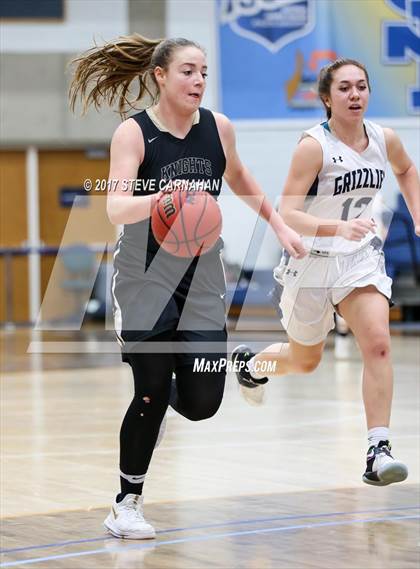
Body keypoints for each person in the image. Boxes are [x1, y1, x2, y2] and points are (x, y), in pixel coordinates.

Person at [70, 34, 306, 539]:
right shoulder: (134, 135)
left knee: (201, 404)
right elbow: (115, 206)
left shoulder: (218, 128)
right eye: (188, 71)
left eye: (203, 72)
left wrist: (281, 226)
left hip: (200, 279)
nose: (199, 80)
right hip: (143, 278)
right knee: (151, 389)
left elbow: (240, 177)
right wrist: (165, 200)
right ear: (160, 75)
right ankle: (126, 504)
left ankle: (225, 365)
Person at [233, 58, 419, 487]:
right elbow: (288, 213)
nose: (355, 95)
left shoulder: (383, 139)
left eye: (362, 86)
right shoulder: (313, 146)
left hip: (359, 258)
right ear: (326, 98)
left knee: (378, 345)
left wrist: (418, 212)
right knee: (305, 360)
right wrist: (337, 226)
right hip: (311, 261)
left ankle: (378, 448)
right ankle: (252, 366)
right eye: (344, 88)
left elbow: (407, 170)